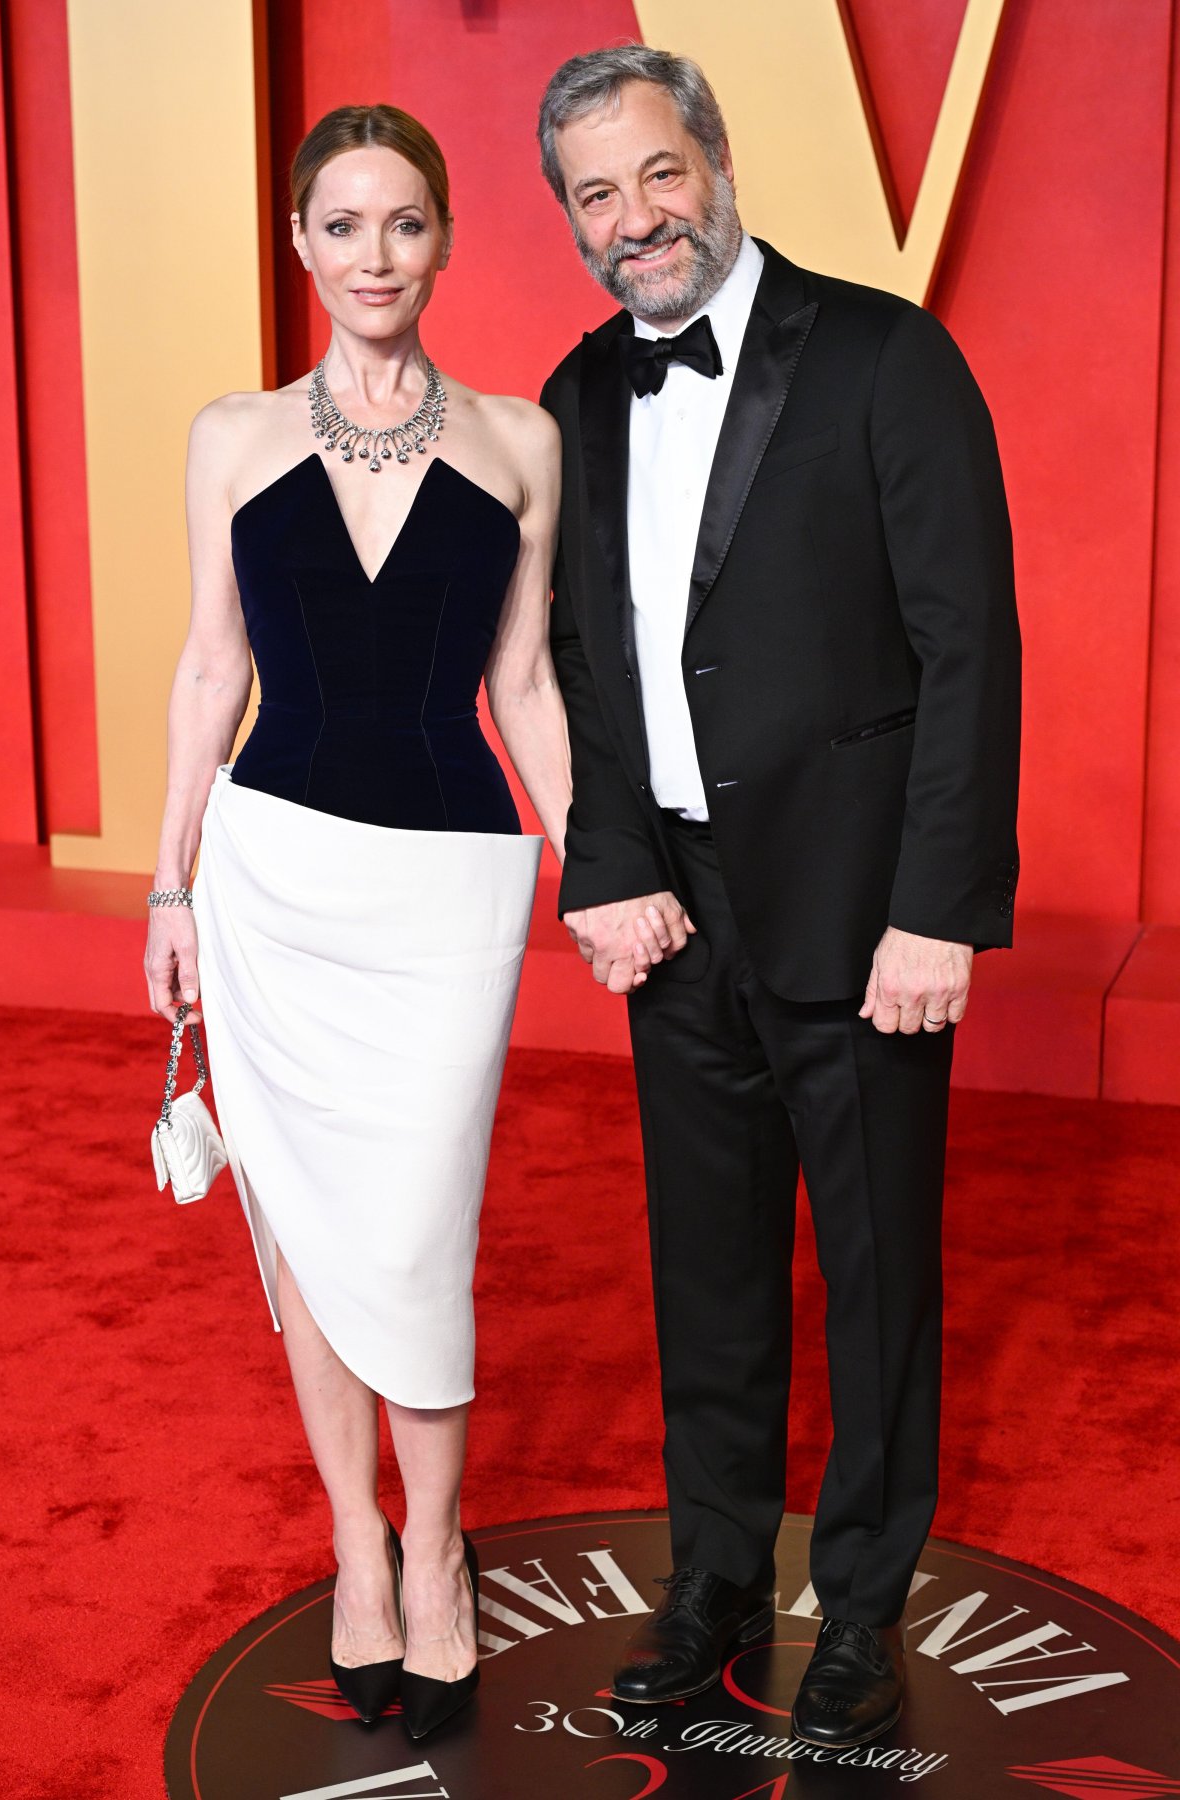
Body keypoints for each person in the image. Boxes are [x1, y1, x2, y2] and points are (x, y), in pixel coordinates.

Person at [537, 46, 1020, 1747]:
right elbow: (583, 663)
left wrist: (937, 909)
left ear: (716, 162)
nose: (633, 218)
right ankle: (717, 1580)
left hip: (862, 908)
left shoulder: (888, 353)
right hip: (674, 908)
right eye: (596, 194)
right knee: (709, 1272)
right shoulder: (583, 392)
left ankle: (867, 1611)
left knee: (878, 1281)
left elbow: (971, 648)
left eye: (656, 174)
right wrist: (605, 866)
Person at [144, 103, 569, 1739]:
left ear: (445, 241)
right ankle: (361, 1548)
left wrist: (596, 858)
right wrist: (172, 882)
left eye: (405, 223)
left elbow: (521, 682)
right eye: (344, 223)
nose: (375, 253)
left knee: (417, 1231)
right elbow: (209, 671)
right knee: (312, 1235)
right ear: (303, 244)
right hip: (270, 877)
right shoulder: (231, 436)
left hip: (448, 885)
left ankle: (443, 1551)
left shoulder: (522, 440)